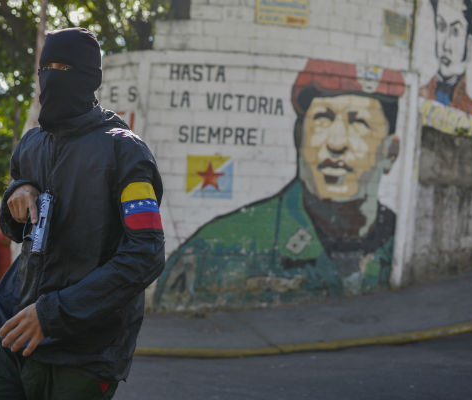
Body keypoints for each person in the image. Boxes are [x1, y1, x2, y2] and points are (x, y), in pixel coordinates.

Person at [0, 28, 165, 400]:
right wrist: (18, 191)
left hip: (83, 351)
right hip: (11, 328)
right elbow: (13, 224)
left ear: (92, 79)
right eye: (47, 67)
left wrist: (54, 314)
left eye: (66, 67)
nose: (53, 75)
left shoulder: (126, 152)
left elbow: (146, 253)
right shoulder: (31, 143)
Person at [154, 59, 405, 310]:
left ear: (390, 152)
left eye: (358, 123)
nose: (336, 143)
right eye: (323, 119)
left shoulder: (398, 243)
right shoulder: (210, 251)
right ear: (299, 137)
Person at [419, 0, 472, 118]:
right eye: (441, 27)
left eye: (455, 31)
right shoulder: (417, 96)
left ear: (468, 43)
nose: (446, 45)